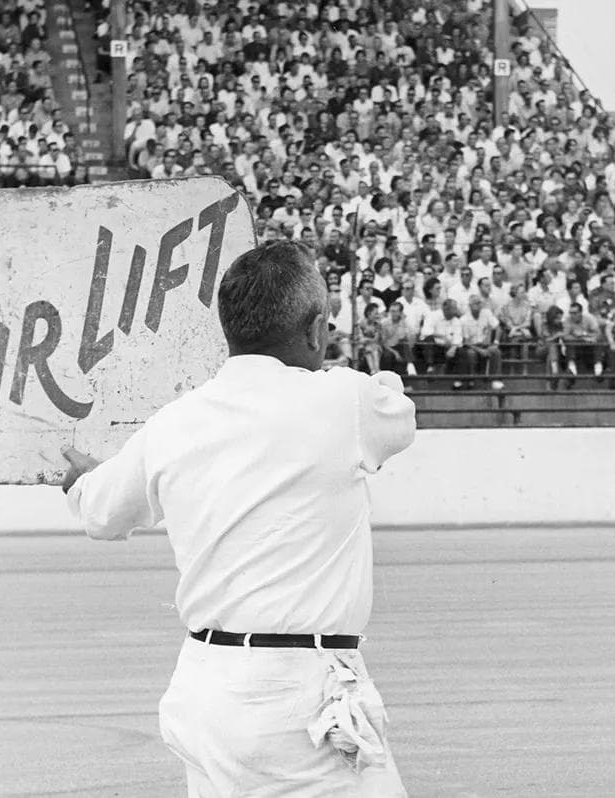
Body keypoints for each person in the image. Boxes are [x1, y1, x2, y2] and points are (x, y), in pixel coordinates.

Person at [61, 241, 415, 797]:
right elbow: (399, 415)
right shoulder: (348, 400)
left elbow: (100, 512)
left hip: (203, 689)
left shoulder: (174, 422)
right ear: (317, 328)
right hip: (298, 698)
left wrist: (82, 481)